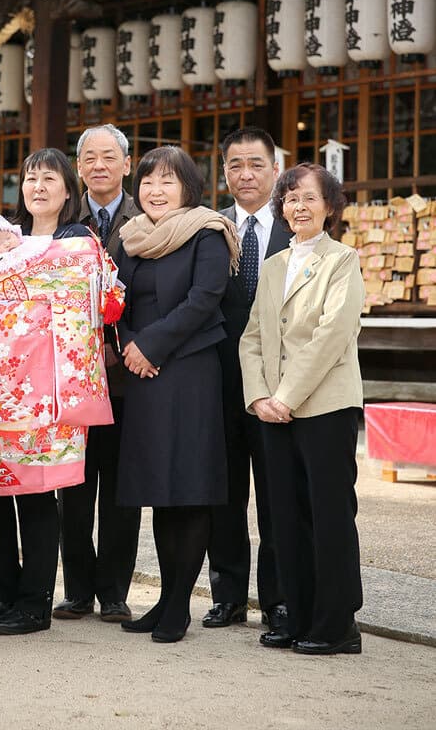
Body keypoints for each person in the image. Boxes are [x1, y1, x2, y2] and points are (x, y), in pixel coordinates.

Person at [0, 148, 112, 636]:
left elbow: (97, 305)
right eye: (30, 178)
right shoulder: (0, 243)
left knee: (40, 496)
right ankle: (2, 593)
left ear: (69, 190)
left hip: (50, 392)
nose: (38, 187)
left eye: (50, 178)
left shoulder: (78, 243)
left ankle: (34, 601)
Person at [116, 146, 240, 643]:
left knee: (187, 491)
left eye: (167, 181)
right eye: (148, 181)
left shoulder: (206, 232)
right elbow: (114, 300)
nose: (155, 190)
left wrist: (151, 345)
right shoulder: (132, 238)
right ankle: (165, 600)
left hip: (187, 372)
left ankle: (178, 608)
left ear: (188, 187)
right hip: (142, 377)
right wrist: (127, 342)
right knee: (161, 493)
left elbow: (204, 299)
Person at [239, 163, 364, 655]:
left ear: (330, 206)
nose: (299, 207)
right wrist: (258, 398)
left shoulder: (343, 260)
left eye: (309, 198)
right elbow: (251, 337)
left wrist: (285, 396)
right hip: (271, 409)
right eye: (290, 198)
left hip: (324, 406)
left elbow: (332, 334)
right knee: (284, 515)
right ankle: (296, 614)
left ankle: (337, 625)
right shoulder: (273, 266)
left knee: (330, 513)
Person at [203, 127, 290, 635]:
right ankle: (228, 594)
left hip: (278, 389)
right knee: (225, 493)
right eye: (235, 164)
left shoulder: (295, 226)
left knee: (276, 495)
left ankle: (278, 598)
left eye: (256, 164)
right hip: (219, 385)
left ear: (275, 170)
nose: (245, 174)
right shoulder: (210, 230)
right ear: (224, 172)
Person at [53, 124, 141, 625]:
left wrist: (126, 344)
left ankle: (114, 592)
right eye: (89, 157)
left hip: (129, 375)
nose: (99, 165)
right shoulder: (65, 217)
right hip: (72, 379)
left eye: (110, 156)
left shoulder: (147, 215)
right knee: (75, 484)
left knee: (122, 487)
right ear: (78, 167)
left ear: (127, 164)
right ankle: (77, 589)